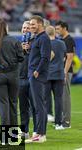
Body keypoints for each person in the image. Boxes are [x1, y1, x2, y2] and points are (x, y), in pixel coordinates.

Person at [0, 18, 24, 126]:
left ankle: (4, 135)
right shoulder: (14, 40)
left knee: (3, 104)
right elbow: (21, 58)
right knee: (13, 103)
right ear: (5, 28)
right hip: (13, 75)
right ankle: (13, 134)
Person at [27, 15, 51, 143]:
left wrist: (37, 71)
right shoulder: (37, 38)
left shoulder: (44, 38)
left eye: (33, 24)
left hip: (37, 75)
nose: (31, 27)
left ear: (41, 25)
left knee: (40, 106)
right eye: (30, 25)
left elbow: (45, 57)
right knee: (37, 106)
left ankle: (41, 135)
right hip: (33, 74)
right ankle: (39, 133)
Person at [55, 21, 76, 128]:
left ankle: (66, 122)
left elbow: (70, 57)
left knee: (65, 97)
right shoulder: (62, 40)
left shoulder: (69, 40)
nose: (56, 31)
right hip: (61, 71)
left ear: (65, 28)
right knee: (61, 96)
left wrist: (64, 72)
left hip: (66, 72)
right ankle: (61, 120)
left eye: (58, 29)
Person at [46, 26, 66, 130]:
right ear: (55, 32)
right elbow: (63, 58)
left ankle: (44, 121)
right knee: (58, 99)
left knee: (44, 99)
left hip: (47, 75)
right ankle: (59, 124)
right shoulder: (62, 43)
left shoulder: (45, 44)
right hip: (59, 74)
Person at [19, 21, 37, 139]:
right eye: (23, 27)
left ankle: (37, 131)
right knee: (23, 106)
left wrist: (29, 50)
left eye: (27, 27)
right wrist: (20, 49)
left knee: (35, 106)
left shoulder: (36, 42)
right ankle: (24, 131)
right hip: (20, 78)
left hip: (33, 78)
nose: (25, 29)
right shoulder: (18, 43)